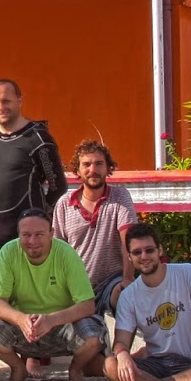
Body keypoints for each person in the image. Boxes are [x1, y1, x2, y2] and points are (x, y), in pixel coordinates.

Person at [0, 209, 101, 381]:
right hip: (23, 328)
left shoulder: (66, 254)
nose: (32, 241)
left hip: (62, 326)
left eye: (39, 235)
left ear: (51, 233)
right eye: (26, 235)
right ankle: (18, 367)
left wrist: (52, 319)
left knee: (94, 336)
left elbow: (88, 305)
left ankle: (75, 370)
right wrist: (20, 318)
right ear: (18, 234)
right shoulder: (8, 252)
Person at [106, 222, 191, 381]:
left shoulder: (188, 273)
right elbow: (121, 341)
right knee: (110, 365)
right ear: (129, 257)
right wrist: (123, 355)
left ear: (160, 250)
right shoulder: (129, 296)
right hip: (157, 362)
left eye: (149, 250)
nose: (144, 256)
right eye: (137, 252)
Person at [0, 80, 66, 278]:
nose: (1, 107)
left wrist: (38, 214)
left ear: (19, 100)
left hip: (27, 231)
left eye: (6, 101)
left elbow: (57, 186)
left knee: (29, 291)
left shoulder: (38, 139)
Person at [51, 139, 138, 340]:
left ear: (108, 167)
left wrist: (127, 278)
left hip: (111, 280)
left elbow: (129, 241)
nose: (93, 169)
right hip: (77, 287)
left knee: (127, 295)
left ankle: (122, 352)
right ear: (78, 170)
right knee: (92, 362)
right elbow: (57, 250)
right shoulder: (64, 204)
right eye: (87, 164)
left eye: (99, 163)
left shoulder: (119, 196)